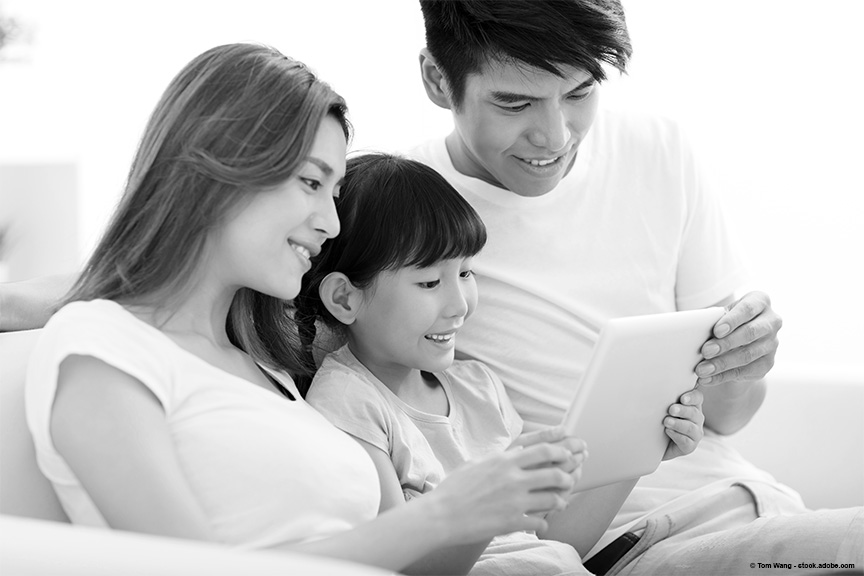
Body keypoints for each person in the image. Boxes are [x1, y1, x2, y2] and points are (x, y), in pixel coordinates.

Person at [23, 42, 587, 574]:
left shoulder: (265, 362)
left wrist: (491, 506)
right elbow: (187, 569)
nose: (332, 223)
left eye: (334, 193)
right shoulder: (104, 346)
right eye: (311, 183)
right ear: (218, 170)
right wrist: (444, 513)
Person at [406, 1, 862, 575]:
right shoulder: (401, 220)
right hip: (626, 542)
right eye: (514, 102)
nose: (553, 135)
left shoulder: (655, 148)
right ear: (436, 80)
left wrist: (743, 363)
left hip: (760, 503)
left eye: (579, 93)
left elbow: (729, 417)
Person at [293, 152, 707, 575]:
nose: (459, 305)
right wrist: (488, 506)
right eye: (430, 282)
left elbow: (550, 543)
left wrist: (640, 446)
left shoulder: (479, 387)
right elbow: (399, 568)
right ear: (345, 298)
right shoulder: (350, 403)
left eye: (467, 273)